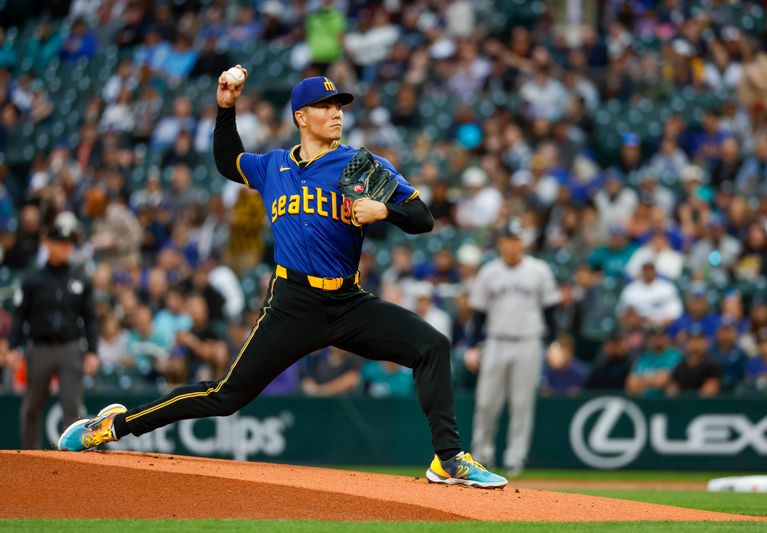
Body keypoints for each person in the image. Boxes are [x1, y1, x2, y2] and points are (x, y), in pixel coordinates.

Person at [58, 70, 506, 488]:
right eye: (326, 106)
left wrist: (385, 209)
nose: (336, 113)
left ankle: (448, 459)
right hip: (293, 302)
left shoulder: (360, 166)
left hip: (349, 302)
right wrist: (225, 108)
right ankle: (111, 427)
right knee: (224, 396)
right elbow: (227, 160)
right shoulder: (274, 166)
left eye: (340, 106)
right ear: (301, 117)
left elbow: (424, 217)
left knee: (433, 345)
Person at [464, 218, 561, 477]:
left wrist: (553, 343)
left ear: (524, 242)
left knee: (521, 404)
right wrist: (473, 346)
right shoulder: (489, 271)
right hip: (495, 340)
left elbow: (550, 311)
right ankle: (482, 456)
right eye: (509, 239)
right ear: (501, 242)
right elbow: (478, 315)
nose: (513, 244)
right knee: (486, 402)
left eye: (517, 239)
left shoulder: (539, 270)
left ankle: (515, 458)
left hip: (529, 341)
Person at [10, 220, 98, 449]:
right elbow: (19, 315)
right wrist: (12, 347)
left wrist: (92, 351)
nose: (65, 248)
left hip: (70, 347)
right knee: (32, 405)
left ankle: (72, 459)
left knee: (72, 406)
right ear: (48, 244)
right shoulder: (33, 278)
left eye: (69, 244)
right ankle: (30, 455)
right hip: (40, 348)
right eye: (60, 243)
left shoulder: (79, 277)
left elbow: (90, 317)